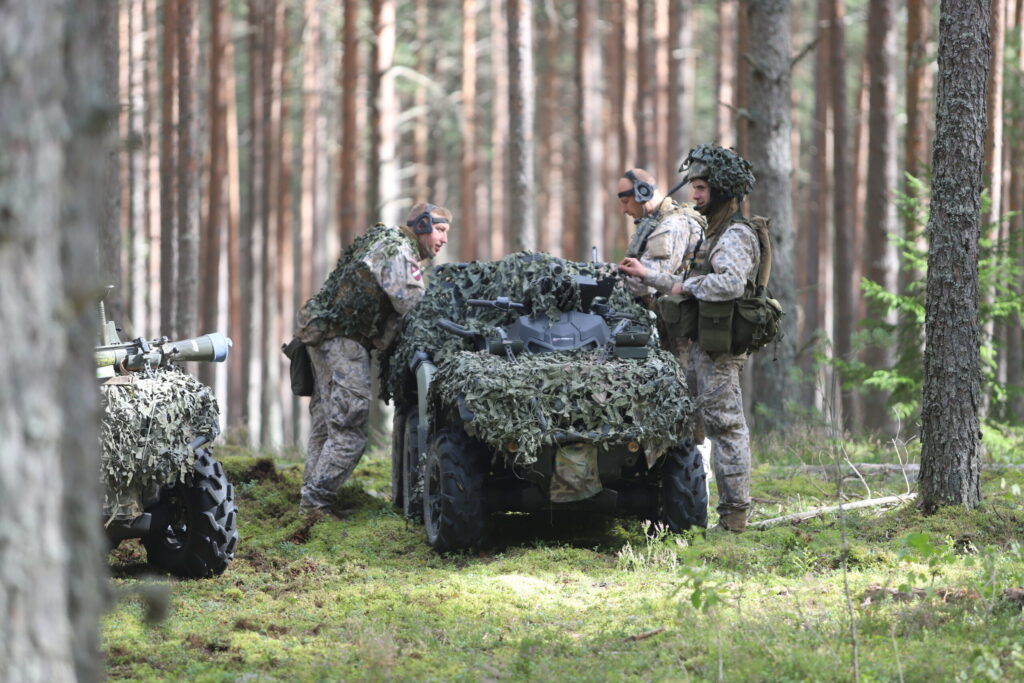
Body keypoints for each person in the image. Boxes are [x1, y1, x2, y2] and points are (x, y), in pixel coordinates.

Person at [619, 145, 758, 532]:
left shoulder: (735, 235)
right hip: (697, 344)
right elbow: (681, 284)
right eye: (694, 187)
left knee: (725, 425)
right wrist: (651, 277)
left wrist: (681, 285)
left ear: (723, 189)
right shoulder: (713, 232)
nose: (694, 196)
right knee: (689, 425)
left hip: (718, 348)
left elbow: (729, 284)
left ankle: (734, 518)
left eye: (701, 188)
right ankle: (686, 510)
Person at [292, 203, 452, 516]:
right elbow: (413, 303)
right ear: (421, 225)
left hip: (325, 336)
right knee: (350, 428)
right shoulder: (397, 251)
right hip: (343, 341)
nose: (444, 239)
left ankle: (312, 496)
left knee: (328, 424)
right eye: (441, 230)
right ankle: (315, 502)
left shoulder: (383, 241)